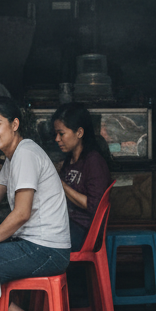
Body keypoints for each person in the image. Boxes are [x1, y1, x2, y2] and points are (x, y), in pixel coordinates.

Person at [0, 97, 71, 311]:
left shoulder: (25, 154)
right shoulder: (13, 156)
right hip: (34, 246)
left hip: (45, 250)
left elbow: (21, 214)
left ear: (14, 124)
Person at [52, 102, 111, 252]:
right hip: (70, 225)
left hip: (85, 231)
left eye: (62, 133)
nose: (57, 139)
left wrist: (61, 185)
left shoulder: (93, 161)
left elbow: (94, 205)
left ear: (79, 133)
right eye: (56, 134)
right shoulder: (70, 160)